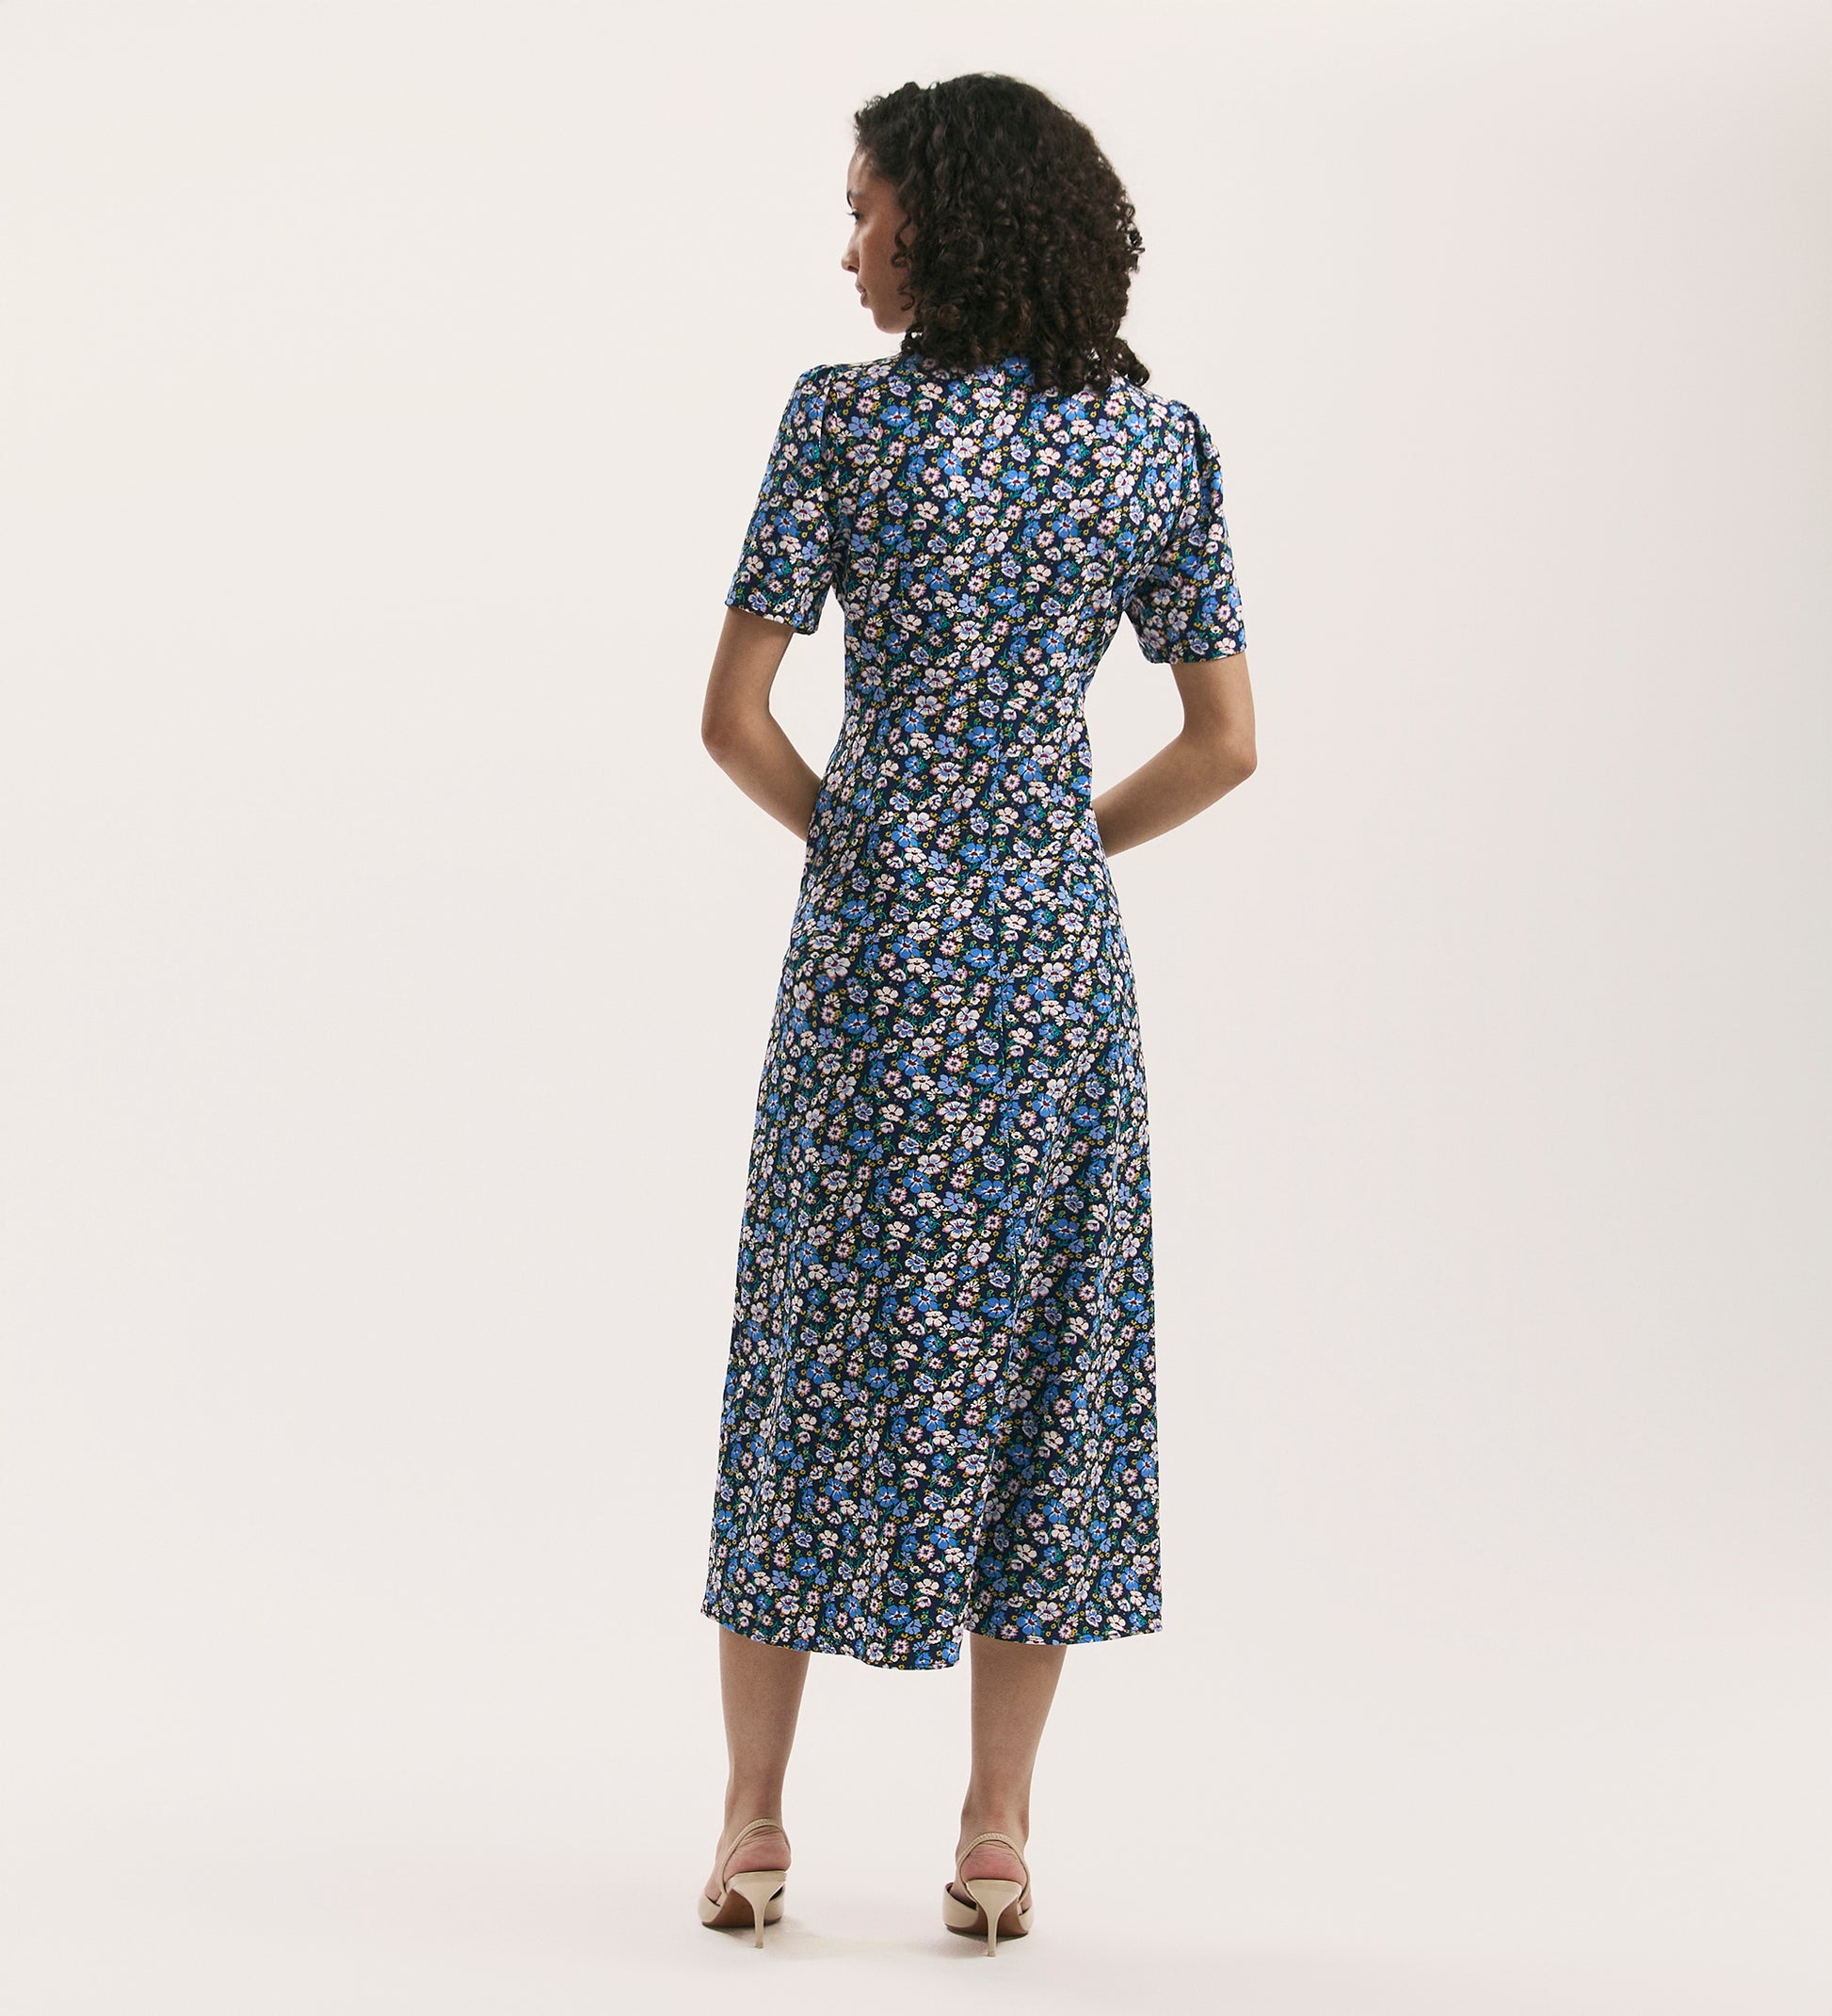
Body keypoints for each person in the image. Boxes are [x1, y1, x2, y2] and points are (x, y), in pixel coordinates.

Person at [694, 73, 1257, 1954]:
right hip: (1049, 971)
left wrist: (873, 847)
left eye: (862, 208)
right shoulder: (1155, 446)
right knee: (1048, 1363)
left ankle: (753, 1824)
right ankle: (996, 1831)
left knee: (805, 1344)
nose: (847, 247)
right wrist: (1050, 848)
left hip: (870, 962)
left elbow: (733, 720)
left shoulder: (841, 422)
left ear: (937, 218)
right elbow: (1225, 742)